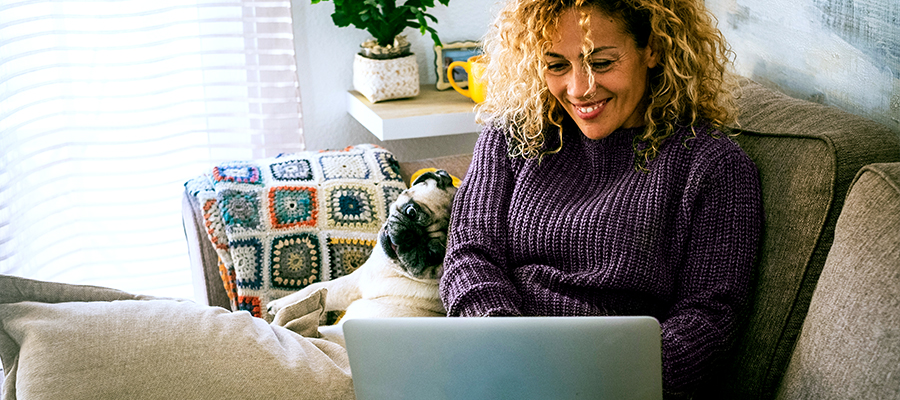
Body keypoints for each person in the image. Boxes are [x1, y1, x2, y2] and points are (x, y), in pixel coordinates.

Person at [439, 0, 764, 398]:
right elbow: (469, 253)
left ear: (653, 49)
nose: (579, 89)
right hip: (496, 366)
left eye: (602, 62)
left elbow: (709, 317)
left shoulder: (712, 165)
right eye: (557, 65)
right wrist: (504, 343)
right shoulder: (513, 136)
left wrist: (600, 378)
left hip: (612, 383)